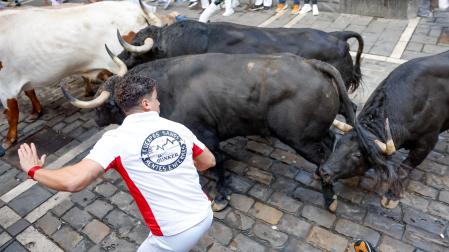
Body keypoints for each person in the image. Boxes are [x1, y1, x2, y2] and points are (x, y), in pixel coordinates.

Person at [18, 75, 216, 252]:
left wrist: (33, 170)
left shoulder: (116, 140)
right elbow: (208, 161)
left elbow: (73, 181)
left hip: (173, 233)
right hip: (205, 213)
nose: (159, 103)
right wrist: (177, 162)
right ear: (146, 104)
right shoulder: (177, 128)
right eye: (156, 98)